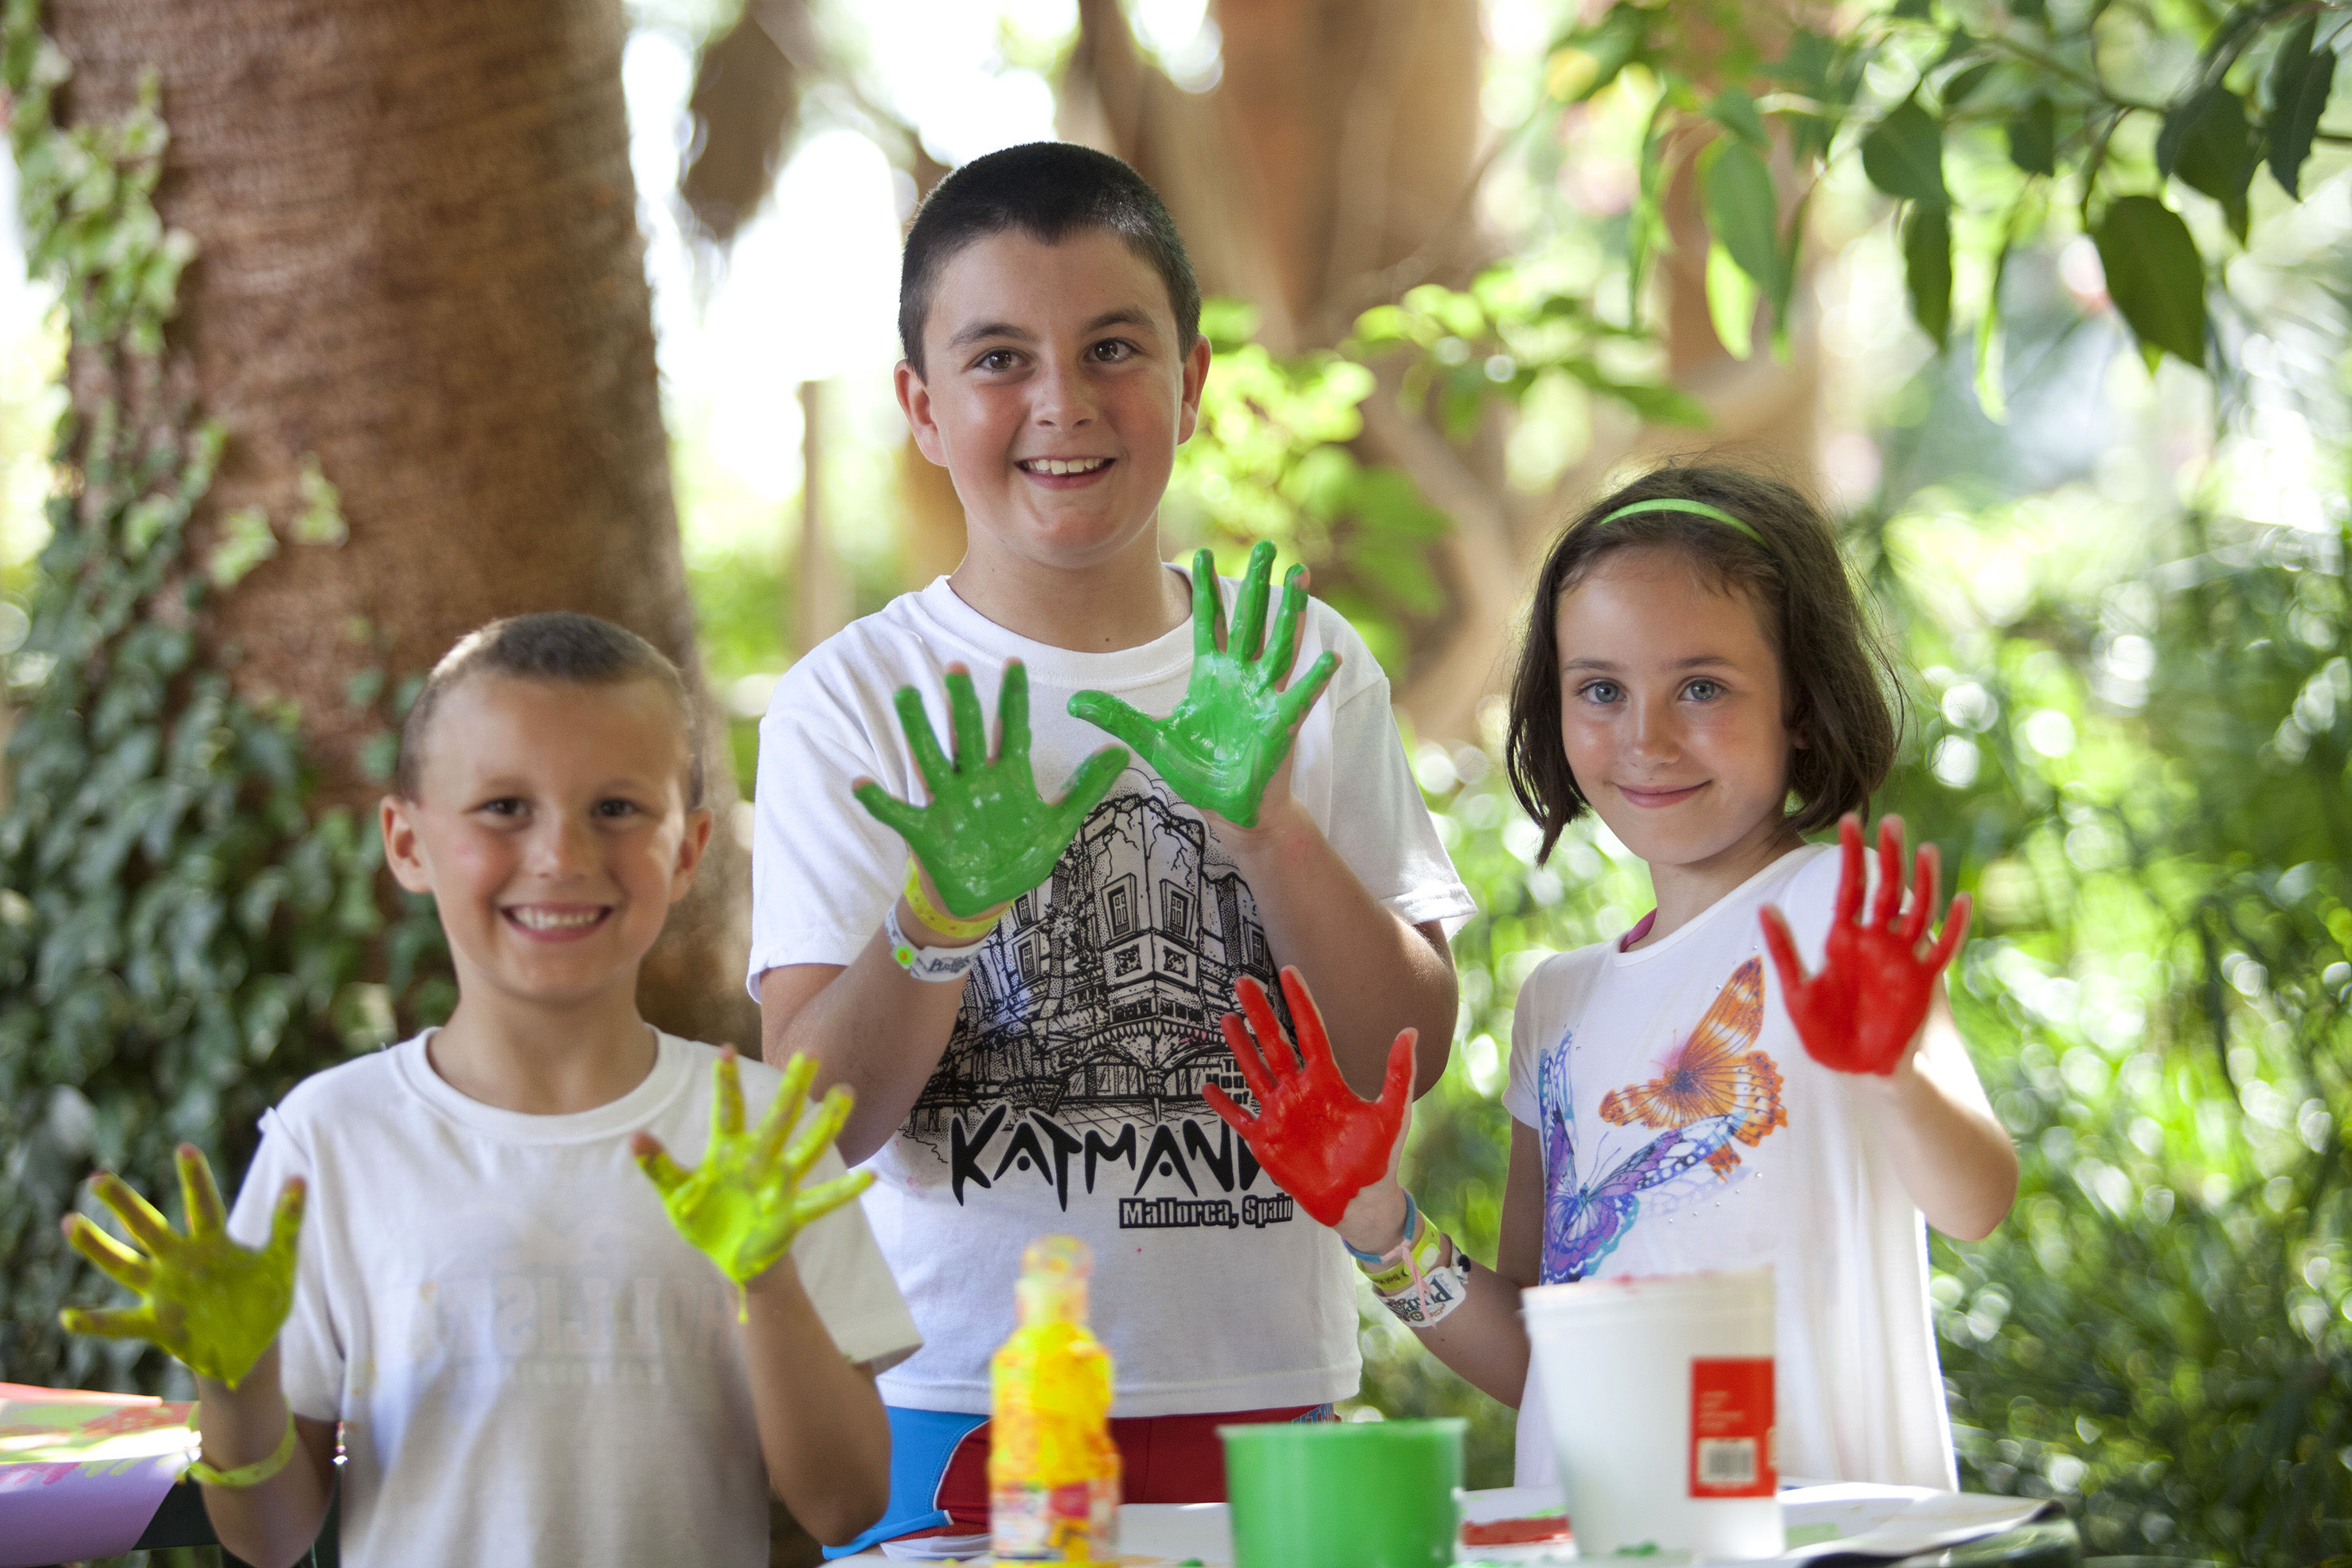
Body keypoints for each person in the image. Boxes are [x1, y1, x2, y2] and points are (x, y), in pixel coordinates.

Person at [749, 141, 1473, 1551]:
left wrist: (1265, 834)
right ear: (919, 403)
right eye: (999, 357)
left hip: (1271, 1403)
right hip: (952, 1410)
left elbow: (1410, 1048)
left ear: (1191, 381)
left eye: (1111, 347)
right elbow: (812, 1125)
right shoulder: (854, 700)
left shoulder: (1295, 661)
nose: (1060, 404)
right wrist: (936, 922)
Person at [58, 613, 921, 1568]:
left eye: (616, 808)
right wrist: (236, 1382)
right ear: (407, 840)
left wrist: (770, 1282)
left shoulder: (762, 1133)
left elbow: (845, 1506)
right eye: (505, 806)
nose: (560, 854)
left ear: (688, 850)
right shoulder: (331, 1139)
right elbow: (268, 1539)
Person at [1217, 465, 2019, 1489]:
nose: (1645, 736)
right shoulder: (1559, 1002)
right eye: (1601, 689)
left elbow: (1976, 1200)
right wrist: (1377, 1223)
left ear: (1803, 708)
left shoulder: (1829, 918)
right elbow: (1544, 1360)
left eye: (1701, 686)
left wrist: (1897, 1070)